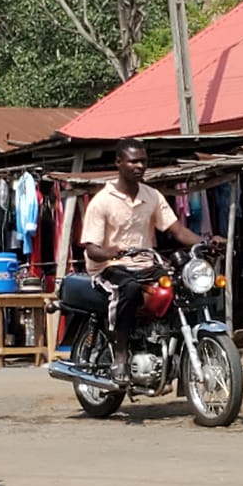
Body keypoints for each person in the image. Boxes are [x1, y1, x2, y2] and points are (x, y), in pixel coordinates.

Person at [80, 137, 209, 383]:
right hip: (110, 268)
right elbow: (91, 249)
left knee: (182, 285)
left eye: (143, 161)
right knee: (127, 290)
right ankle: (120, 355)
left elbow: (177, 230)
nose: (139, 166)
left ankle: (170, 344)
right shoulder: (102, 202)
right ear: (119, 163)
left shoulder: (152, 196)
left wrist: (205, 243)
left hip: (146, 265)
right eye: (133, 161)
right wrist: (112, 252)